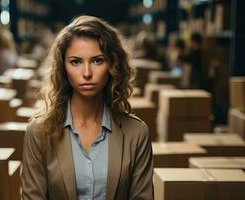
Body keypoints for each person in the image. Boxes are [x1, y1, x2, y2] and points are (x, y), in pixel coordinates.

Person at [22, 15, 154, 200]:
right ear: (62, 67)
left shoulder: (136, 133)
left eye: (97, 60)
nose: (86, 73)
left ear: (112, 65)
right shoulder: (38, 132)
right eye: (76, 62)